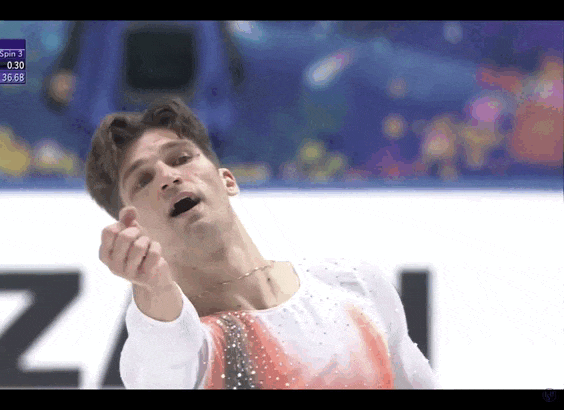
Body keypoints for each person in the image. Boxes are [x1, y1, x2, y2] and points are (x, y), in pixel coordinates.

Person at [85, 97, 439, 389]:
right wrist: (154, 288)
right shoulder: (183, 352)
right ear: (132, 227)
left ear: (227, 179)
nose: (168, 176)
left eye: (181, 158)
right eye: (143, 180)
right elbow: (162, 351)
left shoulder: (354, 285)